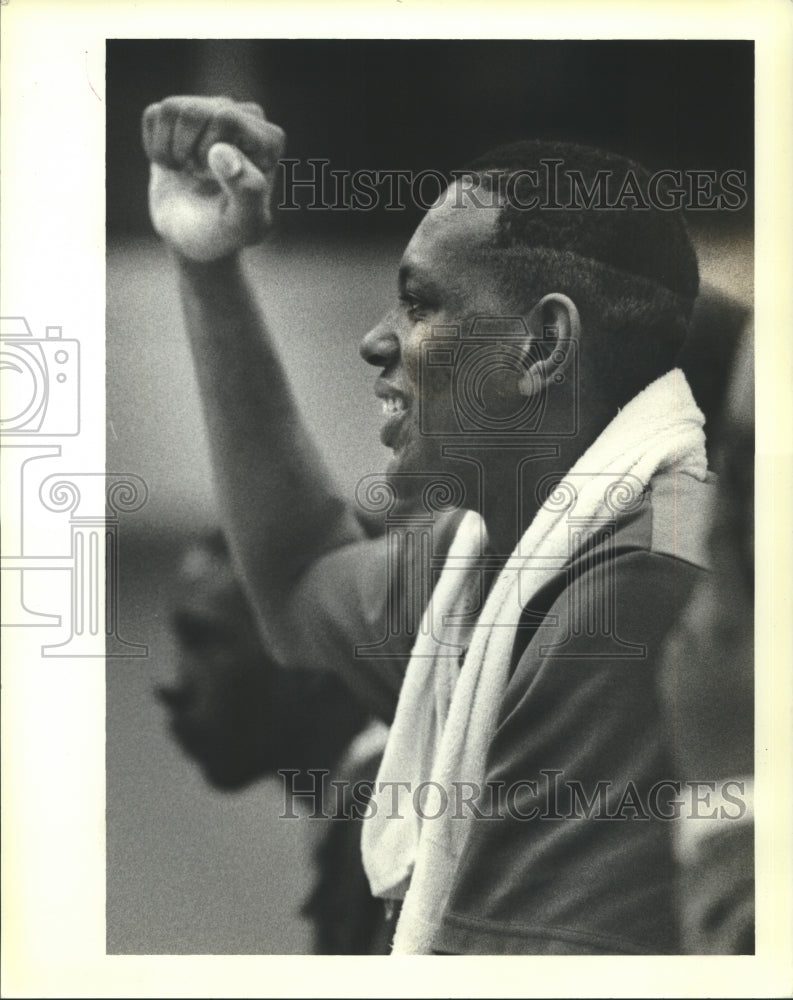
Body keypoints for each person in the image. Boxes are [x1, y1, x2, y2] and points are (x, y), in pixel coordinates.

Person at [141, 95, 734, 954]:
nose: (375, 343)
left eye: (419, 304)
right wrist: (207, 266)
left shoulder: (639, 585)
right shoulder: (490, 552)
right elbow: (301, 582)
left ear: (539, 347)